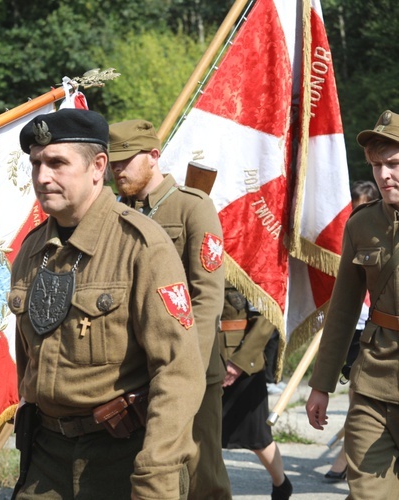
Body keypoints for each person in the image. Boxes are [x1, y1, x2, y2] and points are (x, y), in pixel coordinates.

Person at [9, 108, 205, 498]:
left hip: (120, 456)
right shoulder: (32, 251)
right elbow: (28, 360)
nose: (42, 177)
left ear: (98, 166)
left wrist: (156, 472)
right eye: (36, 164)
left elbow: (178, 371)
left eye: (57, 163)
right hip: (45, 456)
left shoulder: (141, 245)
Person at [108, 119, 230, 499]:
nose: (117, 170)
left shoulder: (193, 207)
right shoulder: (115, 214)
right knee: (143, 471)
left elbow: (207, 295)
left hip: (190, 363)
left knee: (200, 473)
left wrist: (185, 366)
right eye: (112, 164)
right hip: (132, 368)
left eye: (126, 161)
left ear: (154, 156)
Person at [306, 109, 399, 498]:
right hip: (373, 381)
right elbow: (342, 309)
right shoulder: (362, 224)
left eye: (393, 164)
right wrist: (321, 384)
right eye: (377, 166)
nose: (383, 175)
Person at [321, 179, 380, 482]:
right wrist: (321, 384)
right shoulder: (356, 229)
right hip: (360, 332)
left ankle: (348, 456)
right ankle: (348, 455)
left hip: (377, 326)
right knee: (358, 393)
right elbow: (344, 302)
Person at [219, 282, 292, 499]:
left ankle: (281, 483)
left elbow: (267, 316)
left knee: (257, 436)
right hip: (207, 358)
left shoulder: (252, 262)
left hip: (242, 363)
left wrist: (240, 362)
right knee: (204, 435)